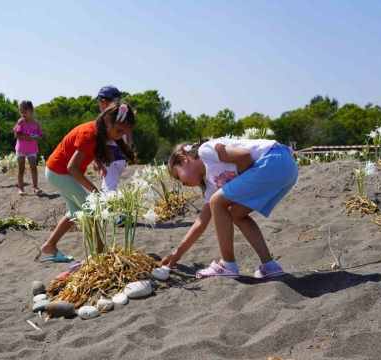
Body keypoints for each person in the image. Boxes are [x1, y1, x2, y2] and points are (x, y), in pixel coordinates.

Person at [160, 137, 298, 279]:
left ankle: (227, 265)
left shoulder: (206, 151)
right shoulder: (212, 184)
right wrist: (177, 253)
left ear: (184, 160)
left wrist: (241, 184)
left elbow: (243, 156)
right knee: (237, 214)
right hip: (287, 169)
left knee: (217, 202)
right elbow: (201, 222)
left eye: (178, 176)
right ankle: (270, 266)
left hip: (274, 159)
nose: (182, 183)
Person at [40, 102, 136, 263]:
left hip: (58, 171)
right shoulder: (89, 134)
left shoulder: (99, 131)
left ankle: (49, 245)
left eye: (124, 133)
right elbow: (72, 167)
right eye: (118, 131)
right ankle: (99, 250)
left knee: (75, 212)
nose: (119, 136)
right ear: (107, 120)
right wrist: (94, 190)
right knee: (90, 208)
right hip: (59, 172)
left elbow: (89, 150)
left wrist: (96, 160)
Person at [95, 86, 134, 192]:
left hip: (110, 160)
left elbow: (96, 142)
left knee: (110, 190)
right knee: (108, 186)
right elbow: (129, 142)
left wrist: (96, 160)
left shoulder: (106, 120)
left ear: (103, 102)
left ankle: (110, 207)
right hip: (121, 160)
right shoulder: (123, 118)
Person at [14, 100, 44, 195]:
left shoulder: (36, 123)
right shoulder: (21, 122)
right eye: (21, 112)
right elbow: (16, 135)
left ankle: (35, 187)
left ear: (32, 111)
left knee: (33, 167)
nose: (23, 114)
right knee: (21, 168)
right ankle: (21, 188)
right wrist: (28, 137)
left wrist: (38, 137)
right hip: (21, 148)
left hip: (32, 148)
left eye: (25, 112)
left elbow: (40, 135)